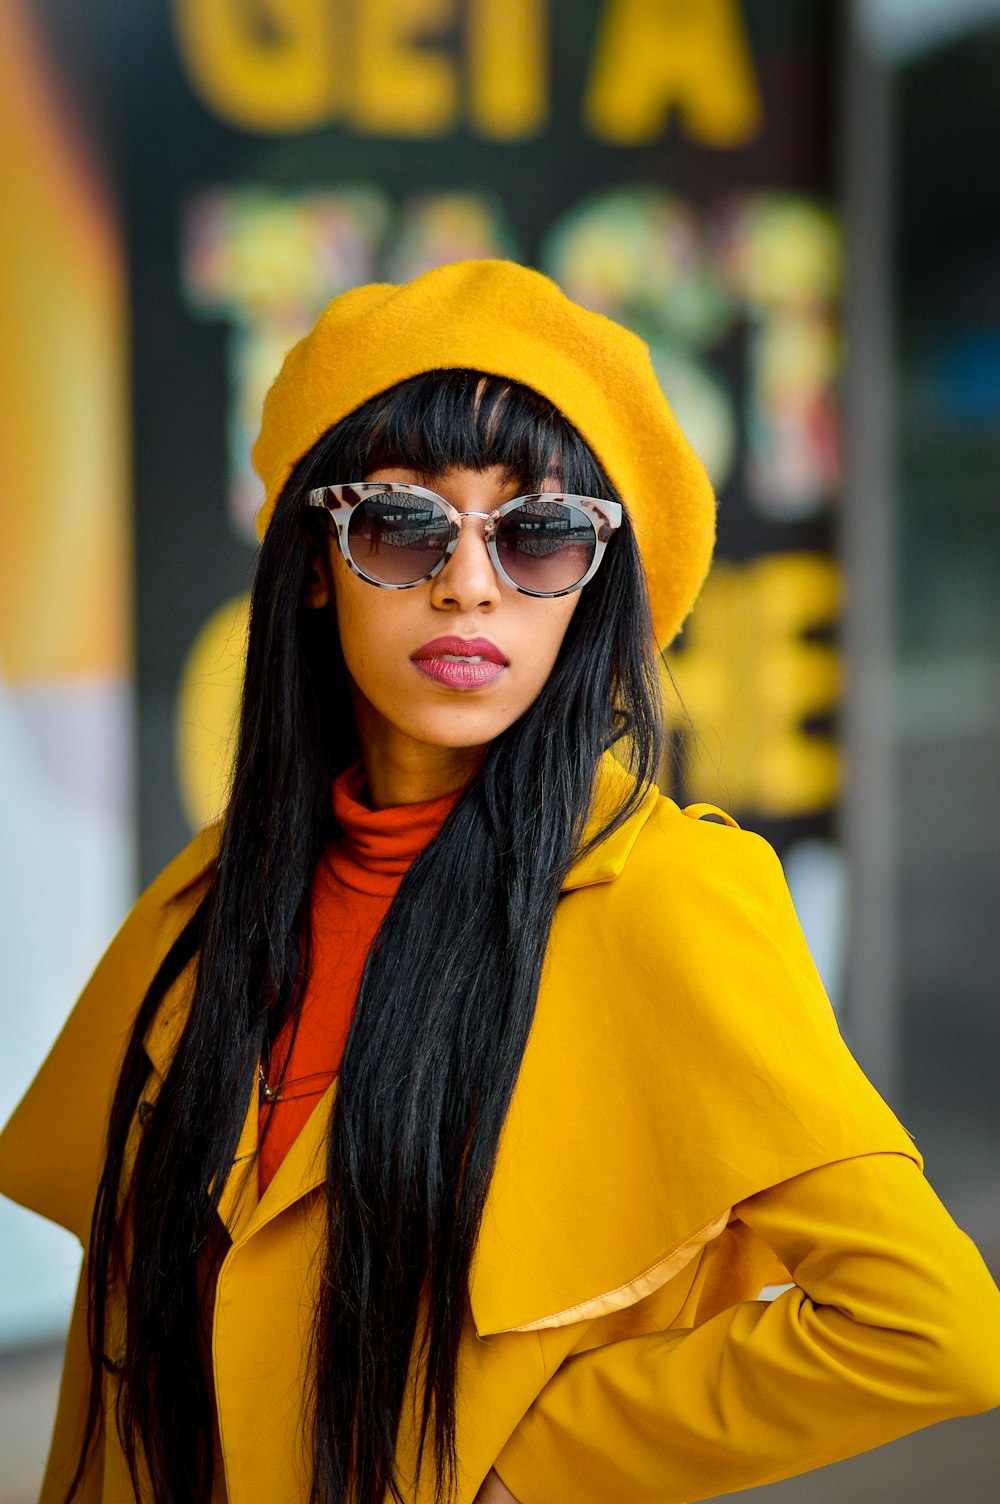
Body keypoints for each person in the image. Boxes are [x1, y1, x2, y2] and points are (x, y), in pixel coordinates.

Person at [1, 259, 998, 1504]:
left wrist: (522, 1459)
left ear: (590, 593)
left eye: (539, 534)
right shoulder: (205, 901)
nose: (468, 581)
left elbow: (930, 1327)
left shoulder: (665, 893)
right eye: (404, 522)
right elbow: (119, 1361)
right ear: (316, 562)